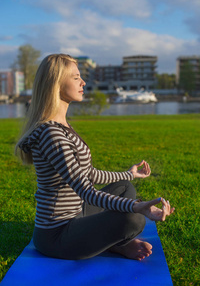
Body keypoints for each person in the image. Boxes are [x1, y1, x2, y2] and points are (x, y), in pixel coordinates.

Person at [15, 54, 175, 261]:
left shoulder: (62, 127)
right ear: (56, 83)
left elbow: (88, 173)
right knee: (133, 219)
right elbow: (86, 191)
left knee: (124, 187)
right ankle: (117, 244)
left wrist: (128, 174)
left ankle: (110, 242)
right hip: (56, 234)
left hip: (77, 213)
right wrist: (136, 206)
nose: (83, 82)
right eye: (75, 77)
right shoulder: (51, 134)